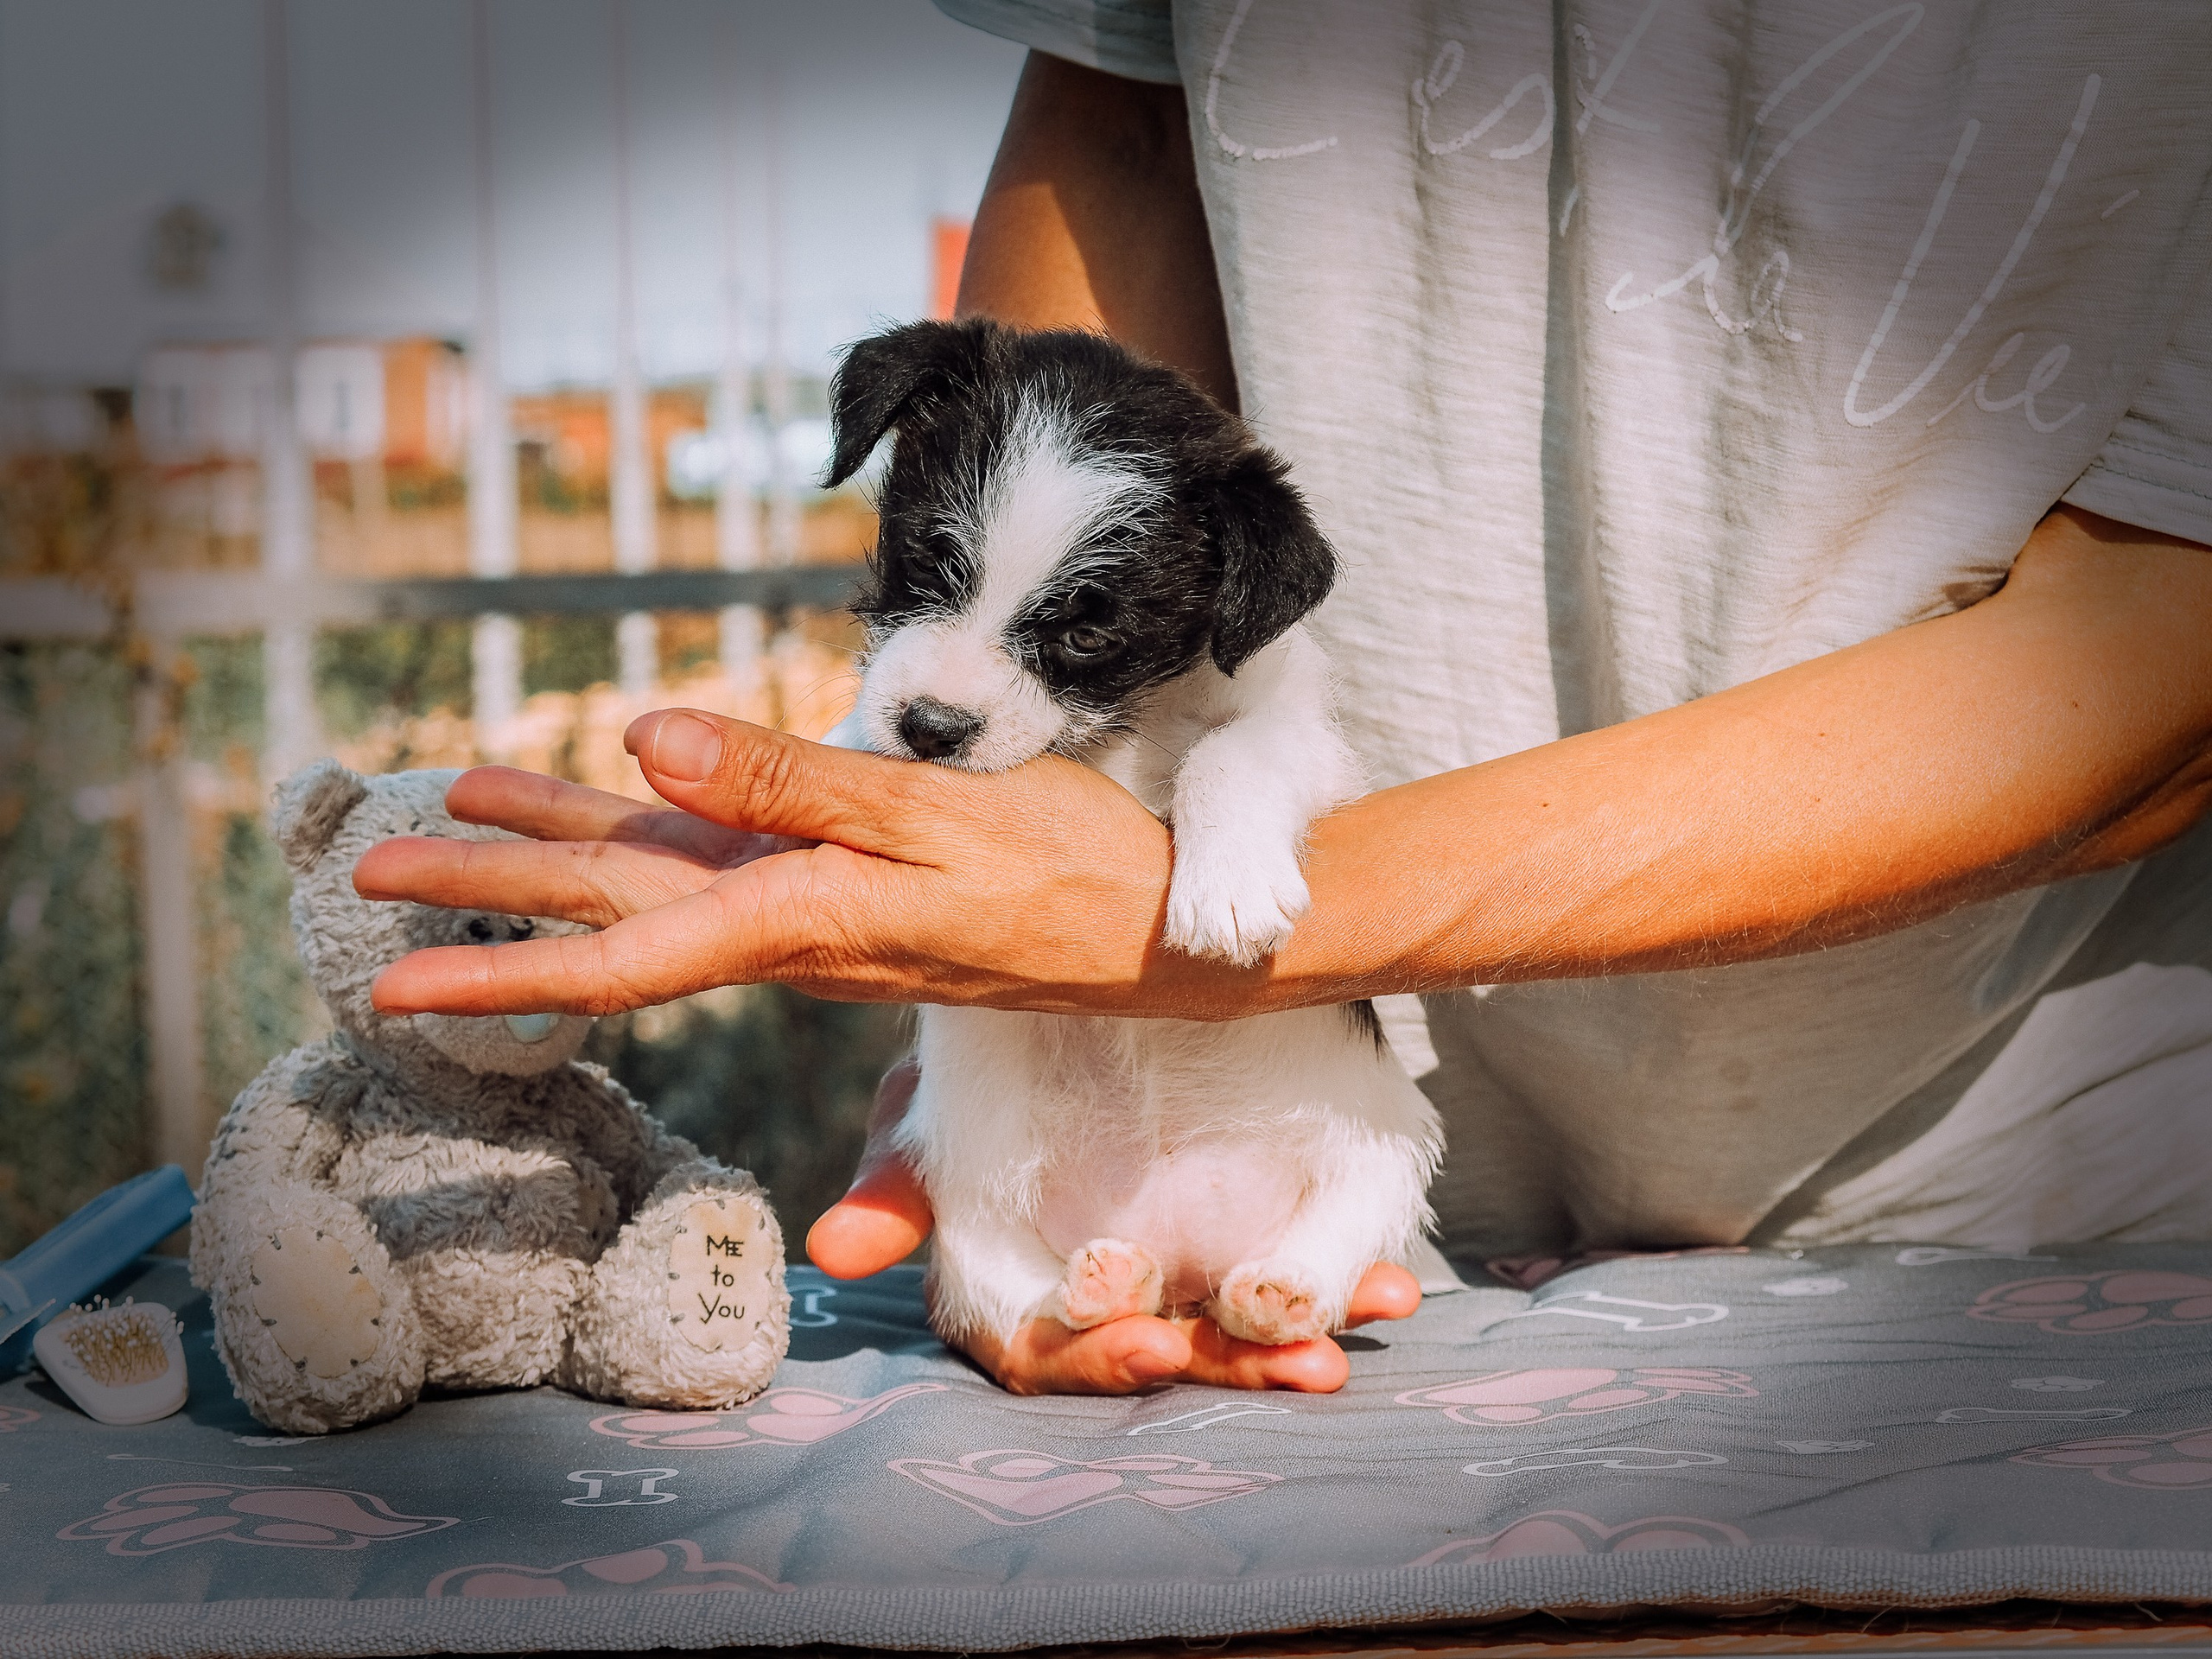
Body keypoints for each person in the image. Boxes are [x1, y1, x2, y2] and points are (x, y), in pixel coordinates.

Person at [359, 4, 2212, 1398]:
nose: (945, 678)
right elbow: (1122, 117)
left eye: (1065, 631)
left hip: (2018, 1206)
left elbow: (2158, 656)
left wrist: (1160, 931)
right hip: (1371, 1205)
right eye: (924, 575)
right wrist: (982, 976)